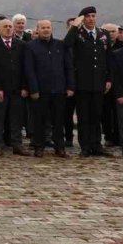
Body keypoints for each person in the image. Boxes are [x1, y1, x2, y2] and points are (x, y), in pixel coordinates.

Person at [64, 7, 114, 157]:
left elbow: (108, 58)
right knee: (84, 116)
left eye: (93, 16)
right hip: (82, 82)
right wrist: (74, 26)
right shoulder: (77, 34)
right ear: (82, 19)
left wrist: (109, 79)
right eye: (88, 16)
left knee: (96, 115)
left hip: (99, 82)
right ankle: (85, 146)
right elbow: (66, 45)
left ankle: (96, 145)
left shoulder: (103, 34)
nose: (91, 19)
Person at [23, 20, 74, 158]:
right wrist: (33, 89)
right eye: (43, 28)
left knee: (59, 120)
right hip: (40, 90)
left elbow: (68, 67)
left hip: (59, 89)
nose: (46, 30)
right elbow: (29, 70)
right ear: (38, 30)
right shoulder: (30, 46)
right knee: (39, 120)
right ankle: (39, 147)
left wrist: (70, 86)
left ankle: (60, 147)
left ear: (52, 29)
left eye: (48, 27)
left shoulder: (60, 45)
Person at [0, 19, 29, 156]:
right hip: (1, 89)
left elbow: (25, 68)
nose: (8, 29)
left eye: (10, 26)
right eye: (5, 27)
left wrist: (24, 86)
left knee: (16, 119)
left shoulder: (21, 45)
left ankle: (17, 144)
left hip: (17, 88)